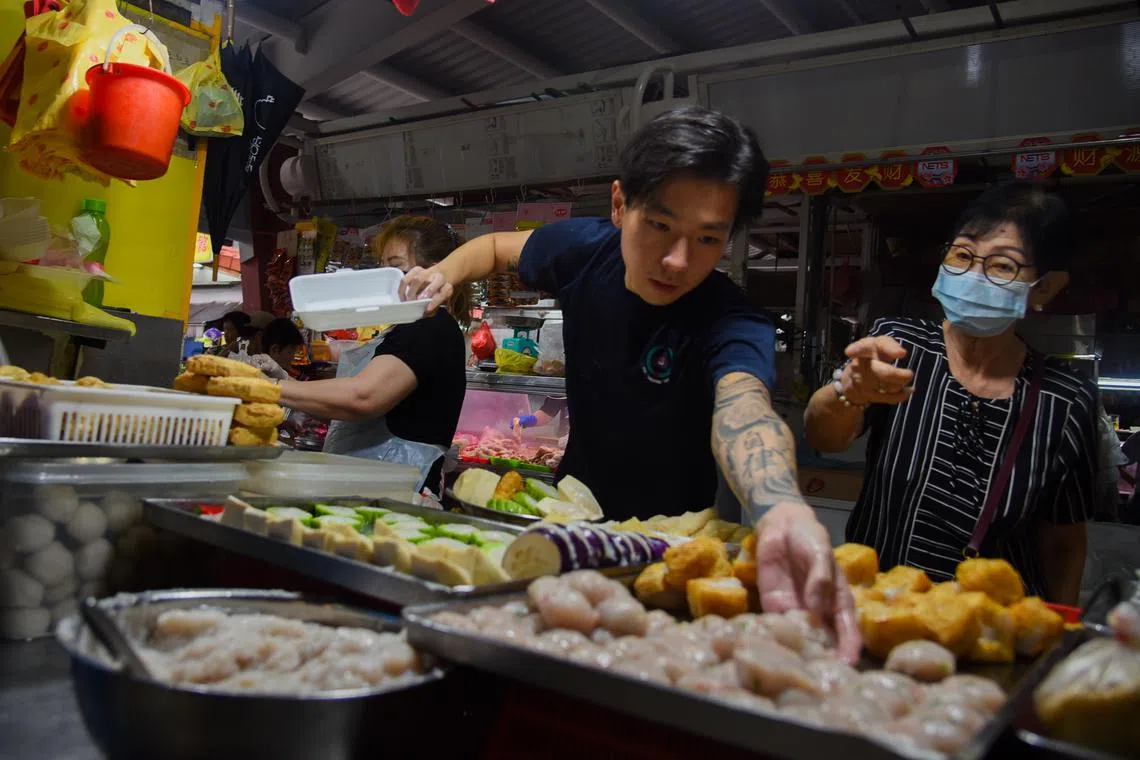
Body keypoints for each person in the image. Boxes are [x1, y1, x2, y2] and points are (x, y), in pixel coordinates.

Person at [402, 105, 859, 660]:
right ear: (620, 205)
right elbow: (498, 247)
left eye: (708, 239)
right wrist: (445, 271)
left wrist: (782, 508)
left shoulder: (731, 320)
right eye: (660, 226)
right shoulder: (584, 251)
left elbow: (746, 410)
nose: (676, 259)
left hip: (668, 549)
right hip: (566, 519)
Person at [803, 182, 1096, 605]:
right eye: (962, 255)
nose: (973, 277)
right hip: (881, 611)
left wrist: (1060, 635)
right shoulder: (899, 346)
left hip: (992, 629)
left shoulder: (1065, 400)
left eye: (1001, 266)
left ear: (1045, 288)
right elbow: (823, 437)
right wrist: (846, 393)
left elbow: (1063, 542)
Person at [272, 216, 470, 497]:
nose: (384, 276)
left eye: (396, 266)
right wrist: (287, 386)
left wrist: (270, 388)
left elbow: (363, 397)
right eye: (382, 266)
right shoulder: (407, 326)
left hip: (398, 494)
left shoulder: (430, 327)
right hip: (371, 488)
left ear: (434, 271)